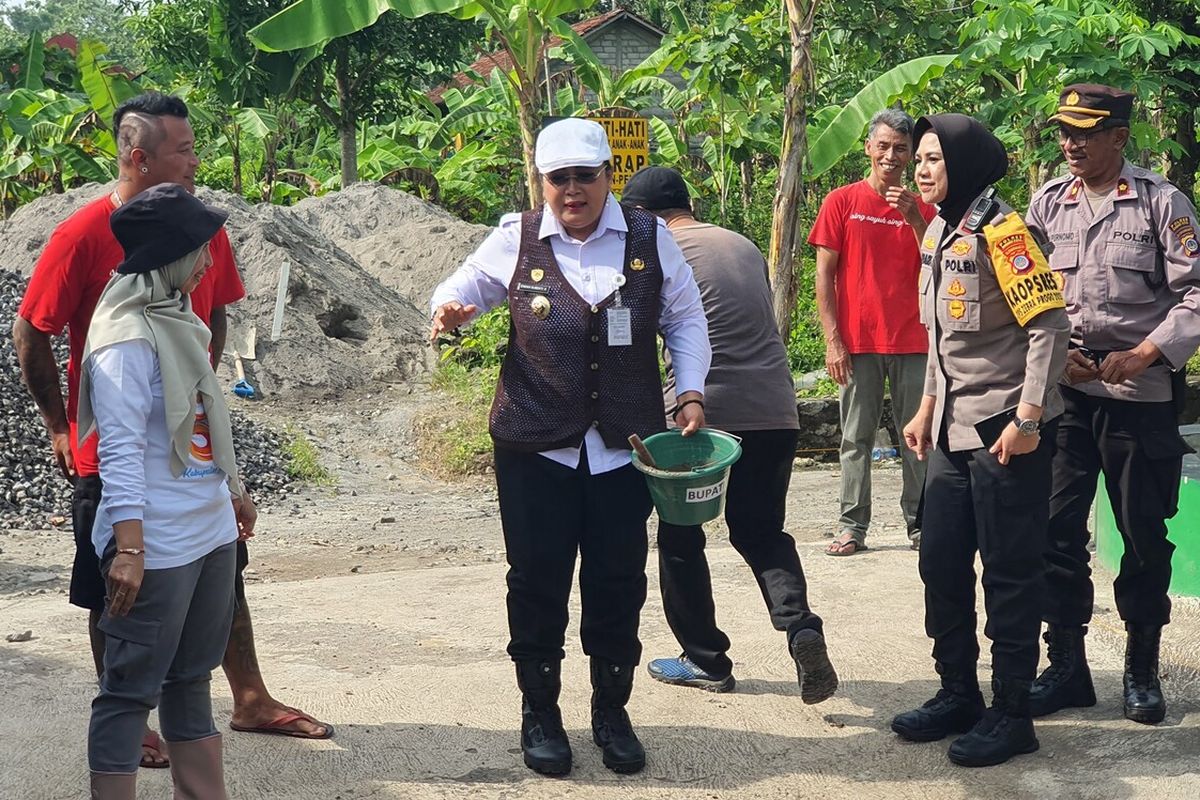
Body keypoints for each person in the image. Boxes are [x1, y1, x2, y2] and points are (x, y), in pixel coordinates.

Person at [12, 92, 330, 770]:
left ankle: (249, 697)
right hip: (113, 452)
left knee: (221, 573)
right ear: (139, 157)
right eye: (183, 150)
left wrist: (198, 404)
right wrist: (59, 425)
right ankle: (130, 715)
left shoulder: (201, 229)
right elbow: (31, 331)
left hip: (193, 456)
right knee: (116, 588)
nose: (195, 162)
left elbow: (214, 317)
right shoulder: (82, 235)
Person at [429, 119, 710, 777]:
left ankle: (612, 712)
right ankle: (541, 714)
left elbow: (685, 318)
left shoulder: (649, 238)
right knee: (536, 582)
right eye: (560, 178)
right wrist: (450, 309)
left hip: (623, 449)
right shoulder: (517, 237)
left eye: (586, 176)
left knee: (618, 581)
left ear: (608, 176)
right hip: (534, 450)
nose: (573, 190)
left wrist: (691, 392)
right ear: (542, 182)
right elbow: (464, 286)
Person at [890, 114, 1070, 767]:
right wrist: (925, 408)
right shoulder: (940, 230)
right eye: (919, 159)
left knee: (1009, 573)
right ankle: (958, 693)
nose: (921, 169)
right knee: (940, 562)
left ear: (964, 164)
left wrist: (1029, 418)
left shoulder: (1005, 232)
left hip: (1003, 429)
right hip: (950, 431)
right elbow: (940, 338)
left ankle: (1012, 712)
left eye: (933, 158)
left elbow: (1049, 327)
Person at [619, 165, 837, 703]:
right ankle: (800, 627)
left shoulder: (655, 250)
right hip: (775, 408)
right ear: (688, 206)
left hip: (700, 418)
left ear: (641, 217)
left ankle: (705, 660)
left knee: (680, 536)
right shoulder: (741, 244)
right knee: (761, 532)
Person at [1023, 84, 1200, 725]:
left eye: (1084, 133)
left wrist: (1149, 352)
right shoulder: (1048, 204)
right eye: (1064, 132)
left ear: (1119, 137)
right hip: (1068, 394)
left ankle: (1141, 669)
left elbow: (1196, 292)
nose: (1070, 144)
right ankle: (1067, 667)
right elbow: (1022, 292)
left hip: (1139, 395)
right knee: (1055, 530)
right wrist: (1055, 351)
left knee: (1142, 534)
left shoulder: (1160, 202)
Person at [83, 183, 251, 799]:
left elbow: (205, 420)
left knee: (191, 678)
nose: (208, 262)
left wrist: (232, 488)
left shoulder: (179, 320)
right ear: (169, 255)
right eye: (200, 249)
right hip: (157, 543)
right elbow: (120, 449)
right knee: (129, 691)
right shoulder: (125, 338)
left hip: (208, 531)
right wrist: (129, 548)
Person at [807, 109, 937, 556]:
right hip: (858, 342)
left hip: (915, 340)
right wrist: (833, 341)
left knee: (917, 438)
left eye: (900, 148)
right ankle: (851, 526)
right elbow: (824, 276)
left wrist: (915, 218)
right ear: (868, 148)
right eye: (883, 146)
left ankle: (921, 524)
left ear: (911, 154)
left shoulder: (926, 206)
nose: (890, 156)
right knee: (854, 437)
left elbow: (938, 264)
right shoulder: (841, 202)